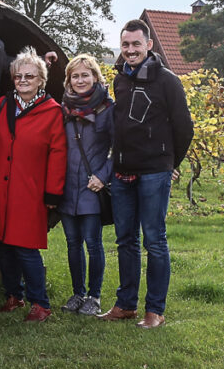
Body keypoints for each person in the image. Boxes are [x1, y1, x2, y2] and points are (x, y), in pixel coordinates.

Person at [99, 19, 193, 329]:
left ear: (148, 45)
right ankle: (126, 305)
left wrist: (170, 163)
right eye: (125, 45)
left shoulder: (167, 81)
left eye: (136, 44)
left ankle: (155, 310)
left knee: (154, 240)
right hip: (123, 173)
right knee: (125, 240)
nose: (129, 50)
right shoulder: (120, 81)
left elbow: (184, 129)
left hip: (154, 173)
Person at [0, 47, 66, 322]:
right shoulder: (0, 106)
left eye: (30, 76)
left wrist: (52, 193)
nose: (23, 80)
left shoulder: (52, 112)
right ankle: (14, 295)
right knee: (2, 245)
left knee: (25, 247)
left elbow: (58, 155)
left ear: (41, 80)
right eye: (18, 76)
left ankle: (41, 304)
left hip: (29, 190)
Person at [58, 54, 114, 317]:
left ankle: (95, 296)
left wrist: (103, 176)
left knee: (93, 243)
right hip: (67, 186)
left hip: (92, 185)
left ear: (95, 77)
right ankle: (78, 293)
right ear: (68, 80)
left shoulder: (107, 108)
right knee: (72, 243)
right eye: (75, 76)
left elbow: (119, 148)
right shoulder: (64, 109)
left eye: (85, 75)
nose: (80, 80)